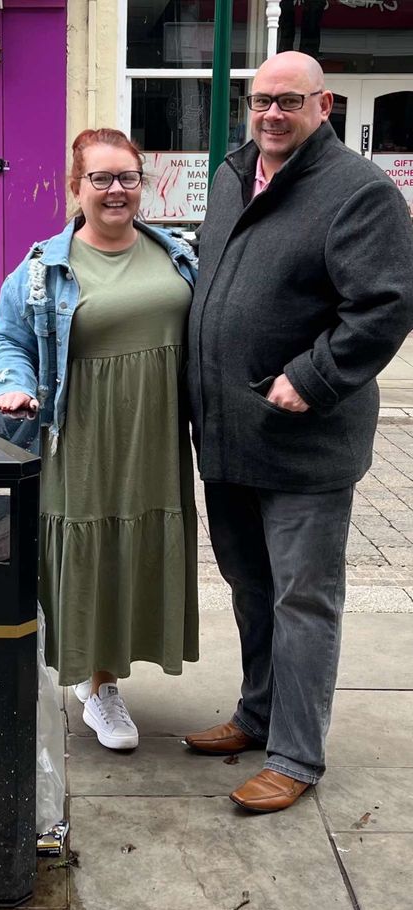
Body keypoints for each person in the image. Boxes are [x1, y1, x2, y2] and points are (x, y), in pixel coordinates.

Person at [185, 51, 413, 812]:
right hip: (226, 434)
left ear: (324, 105)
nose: (272, 114)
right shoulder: (232, 174)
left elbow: (382, 307)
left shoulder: (360, 192)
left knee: (303, 600)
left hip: (303, 441)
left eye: (288, 101)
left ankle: (296, 754)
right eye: (260, 101)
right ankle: (257, 715)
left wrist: (310, 378)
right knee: (251, 588)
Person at [0, 128, 199, 751]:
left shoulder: (179, 255)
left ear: (142, 184)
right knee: (92, 547)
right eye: (100, 179)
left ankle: (109, 672)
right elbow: (7, 342)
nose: (115, 191)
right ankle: (98, 684)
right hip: (84, 432)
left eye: (127, 177)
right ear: (75, 188)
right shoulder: (42, 268)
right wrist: (12, 385)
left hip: (157, 431)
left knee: (143, 541)